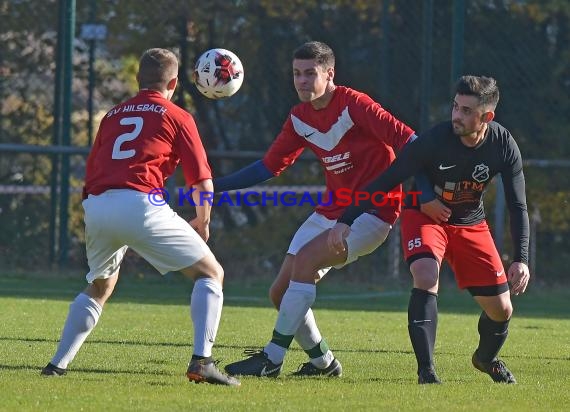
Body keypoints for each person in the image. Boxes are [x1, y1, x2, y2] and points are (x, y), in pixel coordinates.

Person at [215, 41, 432, 378]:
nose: (301, 81)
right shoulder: (299, 117)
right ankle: (324, 363)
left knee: (305, 262)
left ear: (329, 74)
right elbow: (268, 167)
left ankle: (271, 359)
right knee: (279, 292)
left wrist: (428, 190)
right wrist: (215, 186)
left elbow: (410, 141)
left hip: (373, 214)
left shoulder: (355, 104)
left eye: (309, 73)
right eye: (296, 74)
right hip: (331, 211)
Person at [40, 48, 239, 386]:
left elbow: (93, 169)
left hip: (98, 205)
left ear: (138, 79)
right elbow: (202, 181)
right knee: (210, 273)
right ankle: (202, 361)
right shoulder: (178, 115)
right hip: (140, 204)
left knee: (100, 284)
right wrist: (203, 221)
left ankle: (57, 365)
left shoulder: (113, 114)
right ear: (174, 82)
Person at [328, 75, 530, 384]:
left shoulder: (503, 145)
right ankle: (427, 372)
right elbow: (389, 177)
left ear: (486, 117)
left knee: (502, 309)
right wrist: (346, 219)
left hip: (470, 224)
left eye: (466, 111)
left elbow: (518, 206)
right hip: (423, 218)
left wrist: (521, 258)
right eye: (455, 107)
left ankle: (486, 359)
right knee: (425, 275)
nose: (456, 116)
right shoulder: (436, 139)